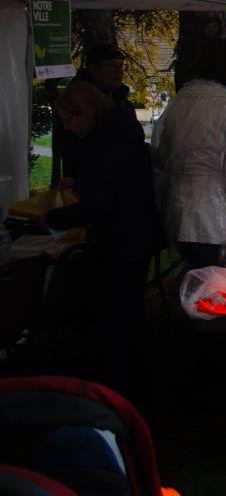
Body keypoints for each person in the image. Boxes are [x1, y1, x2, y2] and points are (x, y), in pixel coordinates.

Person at [47, 82, 161, 404]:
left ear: (85, 113)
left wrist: (52, 219)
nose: (68, 128)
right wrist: (83, 182)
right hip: (136, 236)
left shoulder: (105, 144)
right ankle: (133, 385)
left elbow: (99, 203)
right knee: (129, 315)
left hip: (123, 241)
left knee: (119, 319)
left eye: (69, 120)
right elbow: (113, 183)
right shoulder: (119, 136)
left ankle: (119, 390)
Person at [153, 38, 226, 268]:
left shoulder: (179, 102)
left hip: (176, 211)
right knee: (213, 283)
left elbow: (161, 155)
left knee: (193, 275)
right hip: (214, 219)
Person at [56, 43, 143, 180]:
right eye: (112, 66)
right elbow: (82, 144)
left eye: (121, 66)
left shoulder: (120, 100)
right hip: (94, 178)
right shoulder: (79, 97)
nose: (119, 71)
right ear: (93, 69)